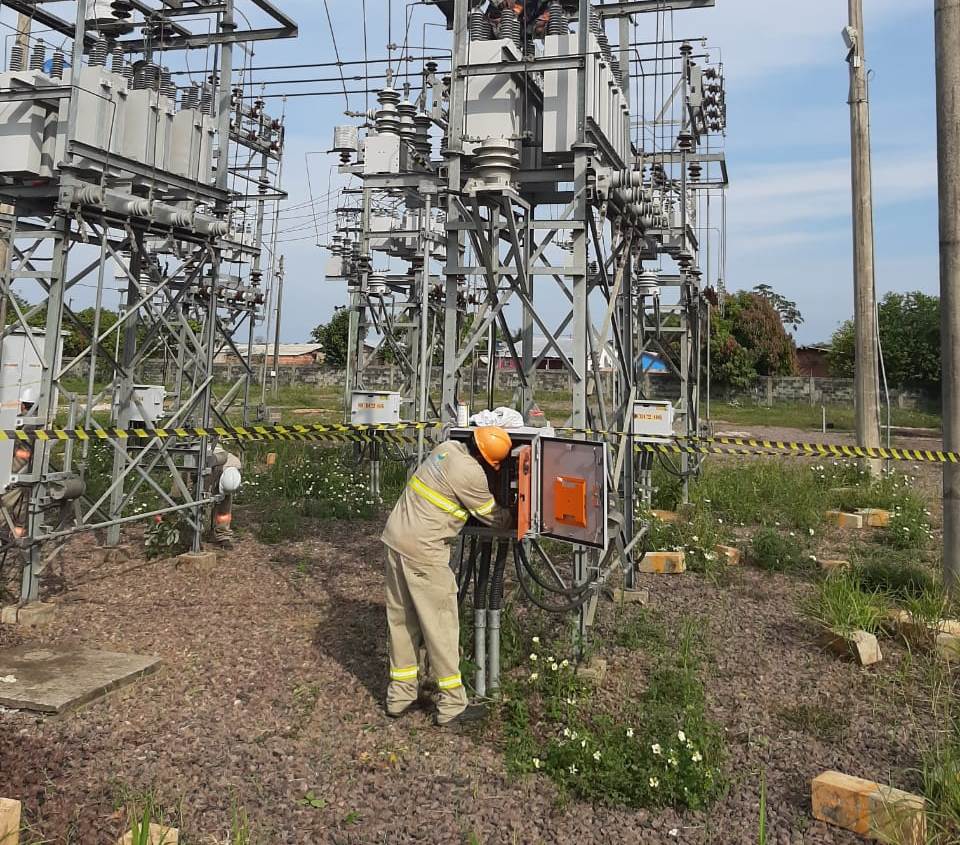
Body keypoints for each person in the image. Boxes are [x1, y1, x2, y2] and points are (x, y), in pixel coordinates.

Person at [381, 426, 513, 727]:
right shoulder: (471, 473)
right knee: (440, 624)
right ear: (484, 458)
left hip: (395, 540)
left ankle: (400, 695)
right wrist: (516, 514)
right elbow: (492, 517)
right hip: (423, 551)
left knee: (402, 621)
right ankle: (452, 703)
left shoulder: (446, 449)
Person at [1, 387, 38, 542]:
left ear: (23, 405)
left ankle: (9, 533)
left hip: (15, 469)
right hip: (31, 472)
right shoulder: (41, 422)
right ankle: (18, 536)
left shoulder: (20, 422)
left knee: (6, 501)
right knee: (22, 507)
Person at [206, 444, 241, 549]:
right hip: (206, 465)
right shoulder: (207, 465)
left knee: (224, 506)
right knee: (199, 501)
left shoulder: (235, 465)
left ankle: (223, 535)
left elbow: (230, 484)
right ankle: (194, 533)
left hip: (222, 473)